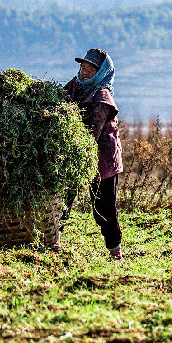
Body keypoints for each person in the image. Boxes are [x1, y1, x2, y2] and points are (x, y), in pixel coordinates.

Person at [62, 49, 124, 260]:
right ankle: (53, 241)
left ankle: (115, 252)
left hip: (103, 161)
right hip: (75, 155)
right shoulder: (75, 86)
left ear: (102, 72)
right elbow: (57, 99)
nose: (85, 72)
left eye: (91, 69)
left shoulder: (102, 97)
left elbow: (91, 133)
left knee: (103, 209)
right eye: (83, 67)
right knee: (62, 200)